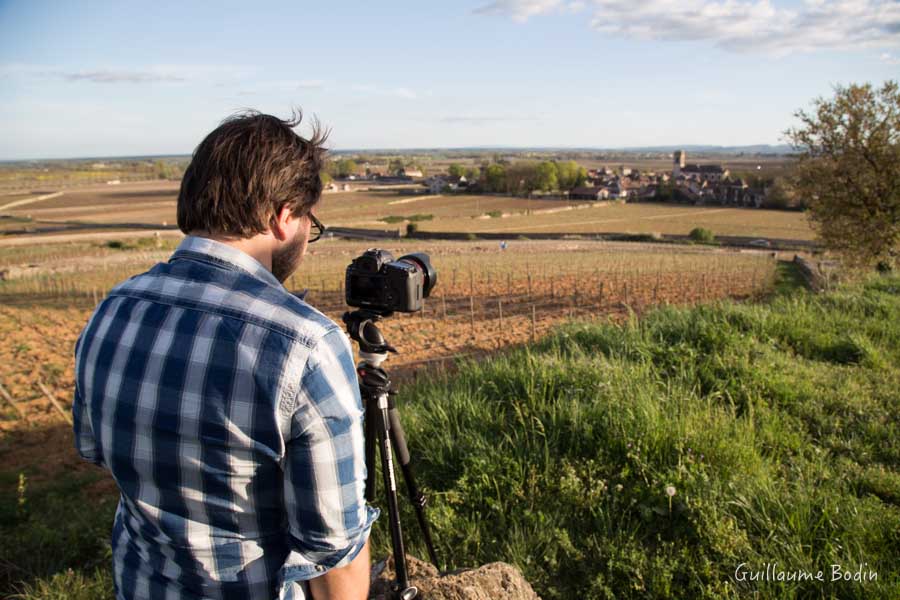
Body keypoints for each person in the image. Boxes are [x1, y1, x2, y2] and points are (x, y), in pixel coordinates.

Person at [72, 111, 378, 600]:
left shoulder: (111, 310)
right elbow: (333, 556)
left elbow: (95, 451)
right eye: (308, 221)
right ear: (283, 216)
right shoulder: (305, 346)